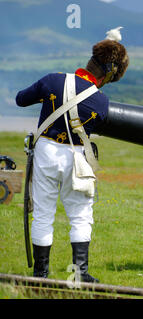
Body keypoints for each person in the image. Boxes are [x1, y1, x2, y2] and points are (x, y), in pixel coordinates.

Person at [16, 29, 129, 282]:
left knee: (43, 214)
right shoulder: (101, 102)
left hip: (45, 151)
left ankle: (40, 275)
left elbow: (21, 99)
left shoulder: (52, 80)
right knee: (80, 216)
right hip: (76, 158)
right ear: (110, 72)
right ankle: (80, 274)